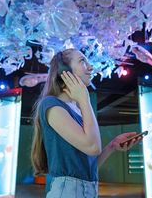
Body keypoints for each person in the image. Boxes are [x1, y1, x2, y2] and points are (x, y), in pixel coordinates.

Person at [31, 48, 142, 198]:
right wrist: (84, 99)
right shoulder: (51, 104)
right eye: (82, 61)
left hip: (88, 189)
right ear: (65, 71)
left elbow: (87, 166)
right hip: (67, 191)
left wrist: (112, 146)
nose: (90, 67)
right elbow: (93, 146)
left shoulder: (76, 108)